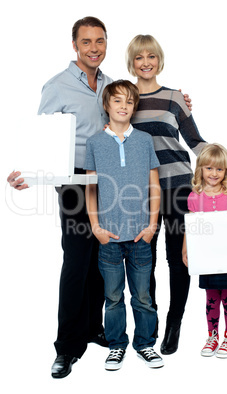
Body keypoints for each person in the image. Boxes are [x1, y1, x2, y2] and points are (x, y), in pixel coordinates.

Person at [6, 19, 191, 377]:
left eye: (100, 41)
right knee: (76, 260)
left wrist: (179, 102)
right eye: (86, 42)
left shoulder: (109, 84)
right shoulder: (57, 86)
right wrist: (28, 173)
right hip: (76, 181)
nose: (94, 48)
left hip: (115, 183)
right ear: (74, 45)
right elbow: (40, 136)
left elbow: (136, 103)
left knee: (101, 258)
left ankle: (96, 328)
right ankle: (66, 347)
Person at [126, 34, 206, 355]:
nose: (146, 63)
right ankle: (151, 320)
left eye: (151, 57)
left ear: (159, 60)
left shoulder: (174, 98)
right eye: (139, 58)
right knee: (145, 259)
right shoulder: (125, 99)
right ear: (131, 63)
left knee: (178, 259)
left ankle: (175, 322)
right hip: (141, 191)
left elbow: (195, 141)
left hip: (178, 188)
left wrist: (220, 163)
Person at [84, 79, 164, 370]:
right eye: (117, 100)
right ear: (106, 105)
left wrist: (152, 224)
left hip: (141, 234)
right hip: (109, 236)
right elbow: (90, 188)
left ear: (134, 107)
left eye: (129, 102)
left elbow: (153, 185)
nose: (123, 106)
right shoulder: (94, 142)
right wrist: (96, 227)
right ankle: (117, 345)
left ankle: (145, 344)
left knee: (143, 297)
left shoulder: (144, 140)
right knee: (113, 297)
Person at [182, 143, 227, 358]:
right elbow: (191, 226)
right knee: (211, 297)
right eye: (209, 168)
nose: (214, 174)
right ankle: (212, 336)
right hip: (207, 257)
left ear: (226, 171)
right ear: (201, 169)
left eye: (219, 169)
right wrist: (186, 248)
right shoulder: (195, 196)